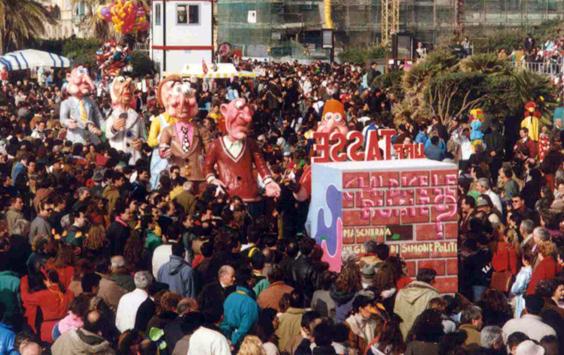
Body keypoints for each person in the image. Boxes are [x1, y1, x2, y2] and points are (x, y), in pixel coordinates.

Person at [394, 268, 440, 339]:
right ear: (431, 280)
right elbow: (435, 321)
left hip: (400, 337)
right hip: (421, 340)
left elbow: (395, 317)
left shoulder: (401, 293)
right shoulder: (433, 295)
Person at [220, 268, 259, 346]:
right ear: (249, 281)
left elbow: (224, 324)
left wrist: (227, 342)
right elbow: (244, 329)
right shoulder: (250, 303)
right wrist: (234, 343)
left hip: (227, 342)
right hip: (244, 346)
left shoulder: (229, 298)